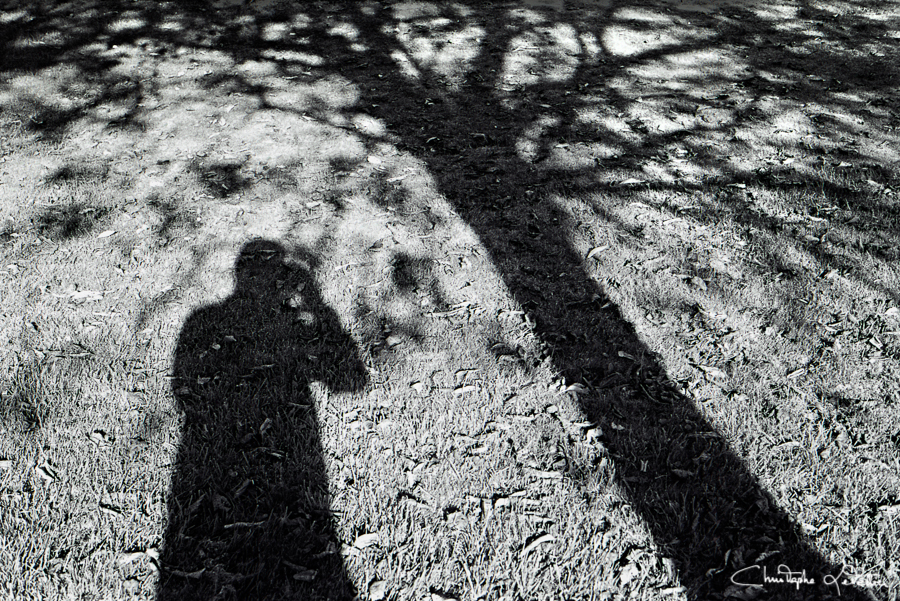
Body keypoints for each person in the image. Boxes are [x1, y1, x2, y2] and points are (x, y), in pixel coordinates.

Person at [157, 239, 366, 600]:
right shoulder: (207, 320)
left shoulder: (202, 319)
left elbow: (353, 382)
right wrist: (318, 307)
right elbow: (354, 381)